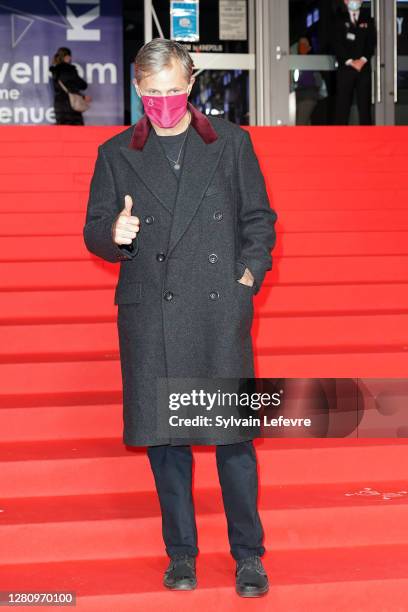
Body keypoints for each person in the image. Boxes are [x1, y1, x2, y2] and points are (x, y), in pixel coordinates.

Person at [83, 37, 277, 597]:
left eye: (174, 90)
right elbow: (96, 226)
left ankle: (249, 556)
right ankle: (182, 555)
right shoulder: (116, 154)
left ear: (190, 86)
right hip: (152, 314)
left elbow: (259, 218)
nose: (164, 102)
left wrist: (245, 277)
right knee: (167, 447)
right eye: (153, 93)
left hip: (218, 311)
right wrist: (112, 236)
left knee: (233, 445)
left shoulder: (231, 143)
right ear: (138, 90)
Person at [333, 0, 377, 124]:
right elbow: (336, 43)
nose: (356, 1)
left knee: (364, 107)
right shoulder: (338, 19)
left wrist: (362, 60)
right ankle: (340, 139)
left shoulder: (367, 18)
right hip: (346, 68)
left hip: (363, 68)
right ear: (345, 1)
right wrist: (350, 61)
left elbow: (371, 42)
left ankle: (367, 139)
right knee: (342, 106)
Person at [49, 47, 91, 125]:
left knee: (62, 133)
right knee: (76, 132)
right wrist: (82, 97)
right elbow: (82, 85)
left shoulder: (54, 70)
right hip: (71, 106)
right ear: (67, 57)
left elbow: (63, 88)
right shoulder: (70, 69)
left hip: (59, 106)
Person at [294, 36, 323, 125]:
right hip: (302, 96)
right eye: (300, 44)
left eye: (304, 44)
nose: (301, 46)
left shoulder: (310, 62)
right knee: (305, 123)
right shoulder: (298, 61)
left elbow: (304, 80)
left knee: (300, 124)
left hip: (307, 96)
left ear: (309, 47)